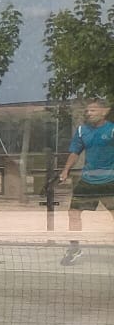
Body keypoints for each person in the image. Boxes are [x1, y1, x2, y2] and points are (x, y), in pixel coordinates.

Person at [57, 97, 114, 264]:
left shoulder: (112, 129)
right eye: (87, 110)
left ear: (105, 112)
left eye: (93, 110)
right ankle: (74, 248)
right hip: (88, 181)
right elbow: (75, 152)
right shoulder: (82, 130)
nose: (89, 113)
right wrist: (65, 170)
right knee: (73, 213)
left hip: (110, 181)